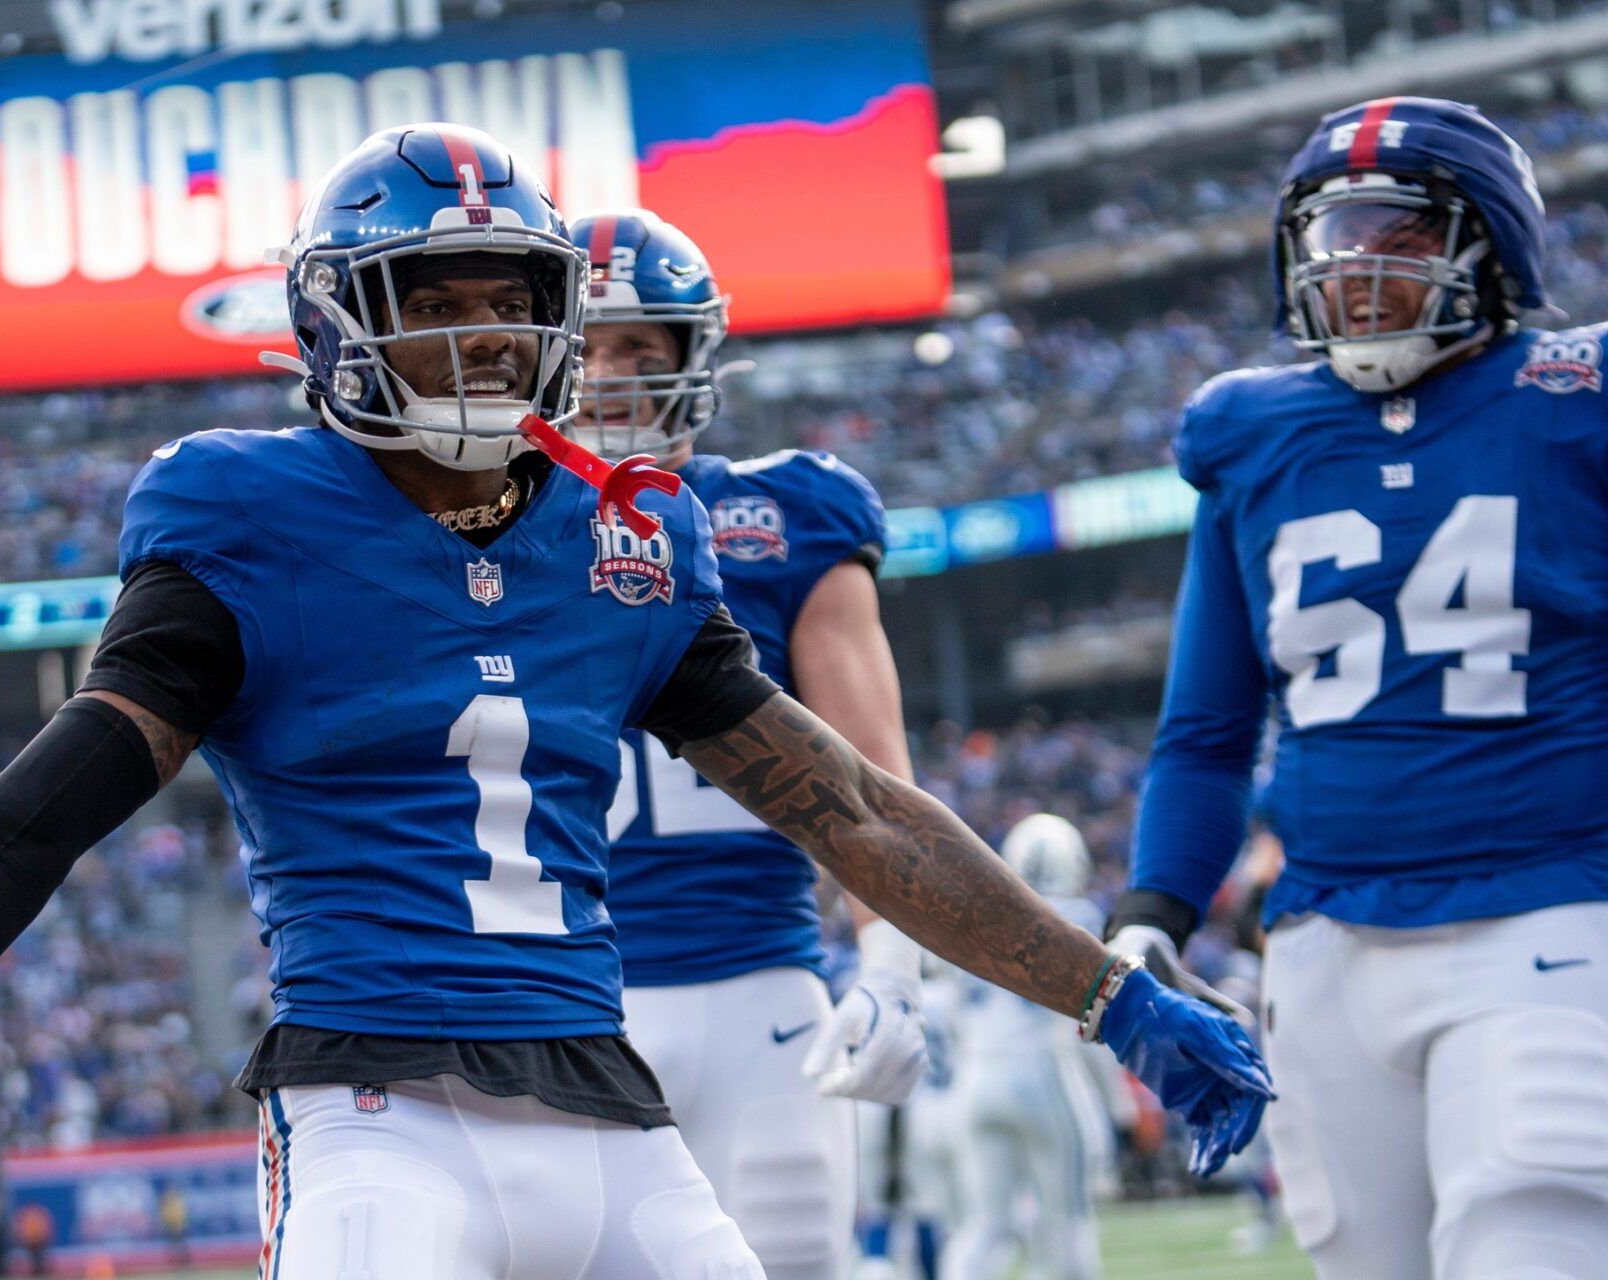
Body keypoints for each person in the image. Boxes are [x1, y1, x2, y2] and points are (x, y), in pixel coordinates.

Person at [0, 124, 1270, 1279]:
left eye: (505, 297)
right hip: (378, 1116)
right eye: (431, 298)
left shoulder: (623, 539)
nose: (477, 334)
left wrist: (1110, 997)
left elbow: (846, 805)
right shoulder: (248, 522)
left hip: (616, 1115)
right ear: (334, 322)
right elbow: (36, 818)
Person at [1111, 96, 1608, 1280]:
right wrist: (1150, 917)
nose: (1358, 264)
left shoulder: (1574, 398)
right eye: (1335, 235)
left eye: (1401, 232)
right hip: (1325, 941)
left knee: (1526, 1235)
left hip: (1549, 910)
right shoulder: (1253, 431)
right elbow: (1206, 730)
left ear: (1490, 244)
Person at [572, 207, 925, 1280]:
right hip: (563, 997)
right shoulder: (484, 532)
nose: (609, 375)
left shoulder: (784, 515)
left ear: (694, 358)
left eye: (641, 349)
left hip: (759, 991)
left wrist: (894, 956)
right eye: (583, 346)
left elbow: (871, 784)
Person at [940, 815, 1119, 1280]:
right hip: (1042, 1072)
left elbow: (956, 1010)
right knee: (1068, 1220)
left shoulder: (976, 912)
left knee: (984, 1226)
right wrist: (1117, 1105)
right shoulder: (1079, 914)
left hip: (976, 1078)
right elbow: (1093, 1019)